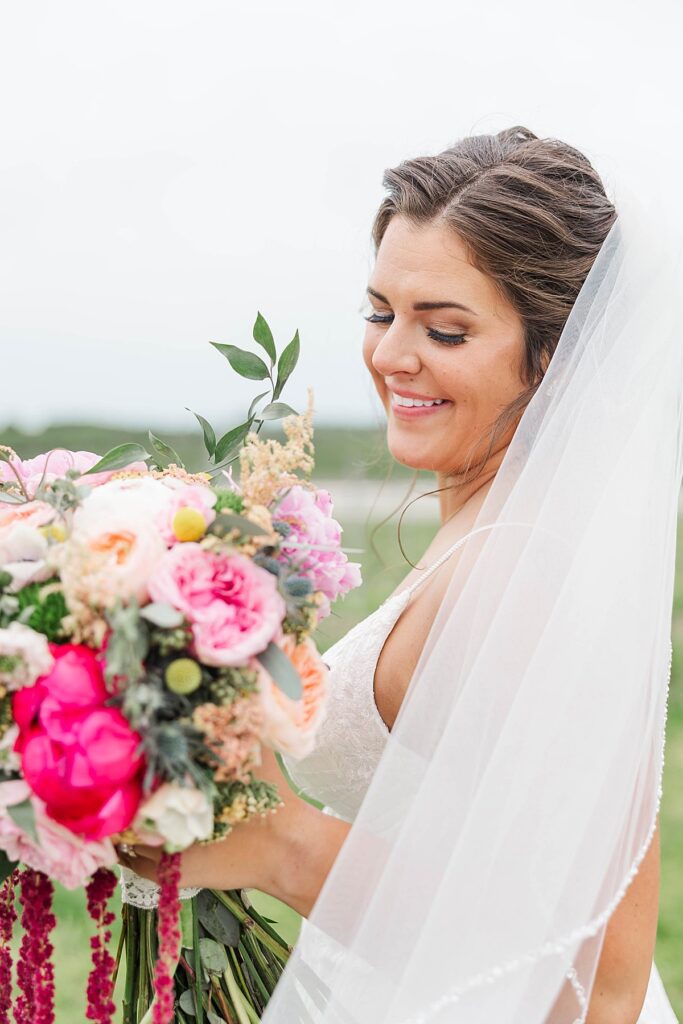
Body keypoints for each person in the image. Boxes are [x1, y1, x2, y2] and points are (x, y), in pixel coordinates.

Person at [118, 126, 682, 1023]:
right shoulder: (493, 537)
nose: (389, 357)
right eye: (381, 313)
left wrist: (282, 848)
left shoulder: (522, 575)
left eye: (444, 329)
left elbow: (595, 981)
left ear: (556, 356)